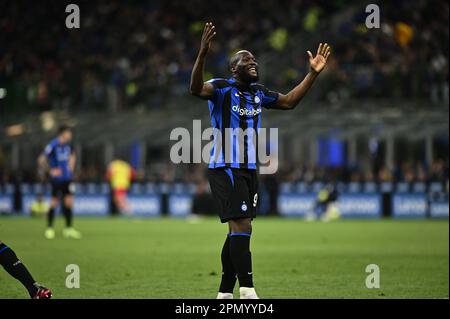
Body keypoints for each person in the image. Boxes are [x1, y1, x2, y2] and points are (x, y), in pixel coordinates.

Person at [189, 22, 330, 299]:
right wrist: (202, 54)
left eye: (254, 59)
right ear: (234, 68)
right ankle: (248, 290)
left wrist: (312, 74)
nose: (253, 62)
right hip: (226, 167)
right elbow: (195, 88)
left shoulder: (258, 93)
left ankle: (224, 293)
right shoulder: (221, 88)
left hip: (250, 169)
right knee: (243, 225)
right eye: (247, 59)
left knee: (236, 230)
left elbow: (289, 101)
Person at [38, 125, 81, 239]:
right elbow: (41, 159)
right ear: (63, 133)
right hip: (56, 180)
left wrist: (71, 168)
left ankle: (68, 229)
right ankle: (49, 228)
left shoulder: (68, 146)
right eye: (69, 133)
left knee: (69, 202)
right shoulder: (53, 145)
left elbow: (72, 157)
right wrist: (50, 170)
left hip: (67, 179)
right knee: (54, 202)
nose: (70, 135)